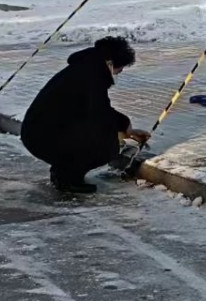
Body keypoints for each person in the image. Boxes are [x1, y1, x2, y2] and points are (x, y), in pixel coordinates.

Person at [20, 36, 149, 193]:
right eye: (119, 69)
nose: (118, 73)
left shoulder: (84, 68)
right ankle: (69, 179)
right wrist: (125, 126)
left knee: (97, 133)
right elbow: (100, 113)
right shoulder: (91, 76)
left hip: (37, 133)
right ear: (110, 62)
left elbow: (98, 109)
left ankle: (63, 172)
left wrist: (125, 125)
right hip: (44, 137)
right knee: (106, 145)